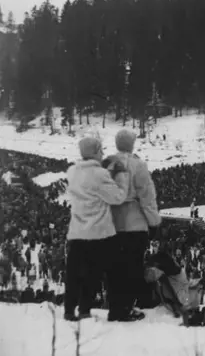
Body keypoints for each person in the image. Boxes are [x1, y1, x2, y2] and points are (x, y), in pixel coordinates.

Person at [64, 137, 127, 322]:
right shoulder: (100, 175)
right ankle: (84, 309)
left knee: (73, 274)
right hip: (99, 233)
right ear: (95, 152)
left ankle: (68, 310)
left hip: (76, 231)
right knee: (93, 273)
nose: (102, 153)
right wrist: (120, 175)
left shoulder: (72, 171)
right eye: (100, 150)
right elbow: (118, 197)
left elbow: (88, 186)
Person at [106, 129, 161, 322]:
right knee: (132, 267)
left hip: (111, 224)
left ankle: (114, 308)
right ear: (131, 144)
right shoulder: (138, 165)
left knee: (113, 267)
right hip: (134, 224)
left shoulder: (108, 164)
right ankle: (127, 308)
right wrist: (154, 222)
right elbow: (147, 197)